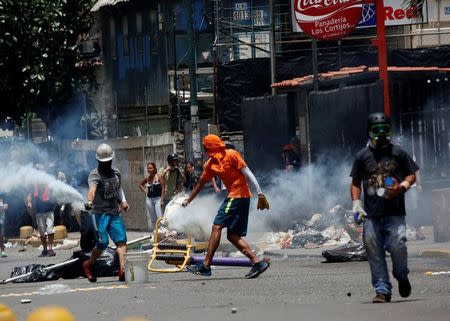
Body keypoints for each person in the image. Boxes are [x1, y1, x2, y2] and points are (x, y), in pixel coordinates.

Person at [350, 112, 418, 303]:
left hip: (395, 212)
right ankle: (382, 290)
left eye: (384, 130)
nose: (380, 134)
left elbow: (412, 174)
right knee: (374, 251)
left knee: (398, 246)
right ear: (369, 132)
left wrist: (402, 187)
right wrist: (356, 204)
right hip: (372, 215)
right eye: (376, 130)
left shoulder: (399, 153)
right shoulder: (362, 156)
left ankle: (401, 275)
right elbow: (355, 182)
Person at [182, 134, 270, 278]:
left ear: (211, 146)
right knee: (232, 235)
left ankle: (205, 265)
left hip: (237, 197)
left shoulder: (232, 154)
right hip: (240, 198)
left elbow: (247, 173)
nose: (205, 150)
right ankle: (257, 262)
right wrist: (189, 200)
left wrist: (260, 194)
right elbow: (200, 184)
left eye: (206, 147)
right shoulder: (210, 165)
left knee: (216, 226)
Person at [82, 143, 130, 282]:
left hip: (114, 212)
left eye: (108, 162)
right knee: (102, 243)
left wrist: (123, 201)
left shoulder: (116, 172)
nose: (106, 164)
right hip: (99, 214)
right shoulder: (94, 174)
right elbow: (92, 191)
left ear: (112, 160)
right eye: (104, 162)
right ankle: (88, 264)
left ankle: (122, 271)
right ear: (98, 161)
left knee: (121, 241)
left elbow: (118, 188)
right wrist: (89, 202)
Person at [27, 163, 57, 257]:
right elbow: (30, 193)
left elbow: (54, 190)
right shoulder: (34, 182)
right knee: (42, 232)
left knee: (50, 230)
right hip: (39, 211)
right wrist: (29, 202)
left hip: (49, 209)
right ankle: (44, 250)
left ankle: (50, 249)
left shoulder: (48, 179)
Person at [139, 162, 163, 232]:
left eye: (151, 168)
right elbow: (140, 185)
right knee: (153, 218)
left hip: (158, 199)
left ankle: (162, 232)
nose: (149, 169)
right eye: (148, 168)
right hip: (149, 200)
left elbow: (163, 188)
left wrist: (162, 200)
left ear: (155, 169)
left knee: (160, 217)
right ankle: (155, 233)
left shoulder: (159, 176)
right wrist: (145, 191)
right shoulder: (147, 178)